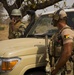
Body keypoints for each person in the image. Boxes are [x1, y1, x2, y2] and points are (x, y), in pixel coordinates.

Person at [50, 9, 74, 75]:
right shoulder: (60, 32)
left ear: (57, 18)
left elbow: (67, 52)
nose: (53, 20)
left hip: (66, 69)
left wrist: (56, 68)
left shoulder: (66, 32)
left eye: (54, 18)